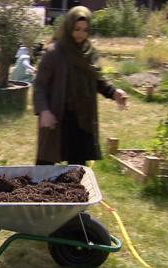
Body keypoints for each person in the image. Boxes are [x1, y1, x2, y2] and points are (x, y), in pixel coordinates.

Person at [33, 6, 128, 166]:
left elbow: (97, 80)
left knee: (76, 172)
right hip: (57, 117)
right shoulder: (54, 53)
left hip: (81, 120)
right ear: (69, 27)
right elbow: (40, 85)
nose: (80, 34)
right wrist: (44, 111)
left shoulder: (89, 53)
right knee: (45, 169)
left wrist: (113, 92)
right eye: (76, 29)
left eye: (85, 30)